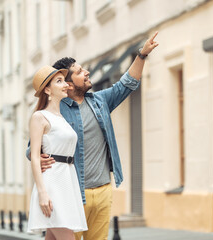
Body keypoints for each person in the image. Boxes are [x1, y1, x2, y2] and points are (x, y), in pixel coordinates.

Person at [27, 32, 159, 240]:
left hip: (103, 189)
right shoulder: (57, 111)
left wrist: (142, 55)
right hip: (73, 192)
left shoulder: (100, 101)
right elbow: (35, 146)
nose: (87, 72)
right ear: (68, 84)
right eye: (80, 72)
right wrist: (36, 156)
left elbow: (127, 84)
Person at [26, 66, 87, 240]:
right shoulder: (40, 117)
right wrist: (42, 192)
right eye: (59, 81)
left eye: (64, 81)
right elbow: (35, 157)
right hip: (52, 185)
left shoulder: (62, 118)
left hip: (67, 181)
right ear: (47, 89)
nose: (65, 85)